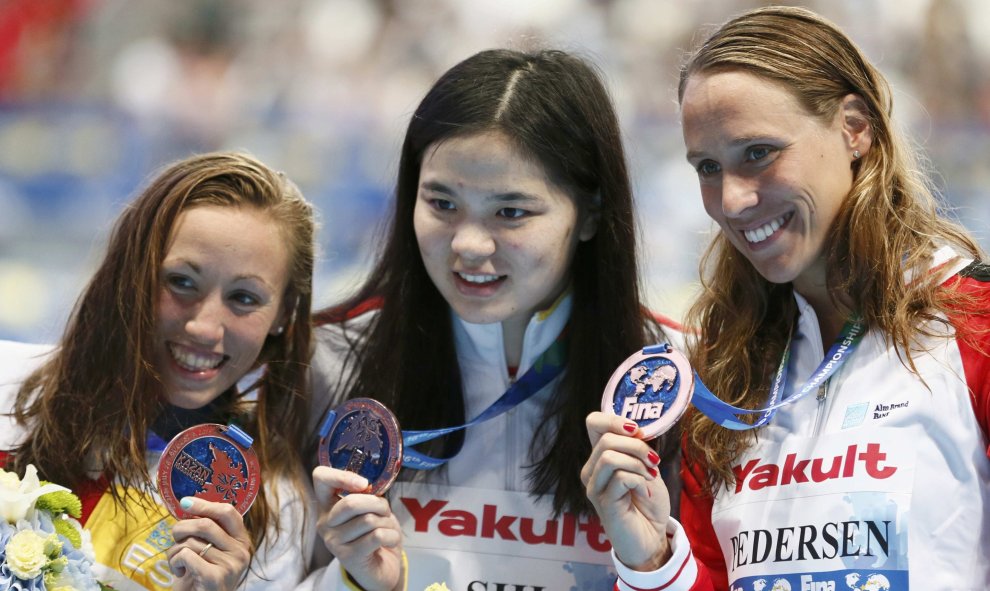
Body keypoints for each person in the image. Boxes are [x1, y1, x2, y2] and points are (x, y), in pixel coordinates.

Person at [582, 6, 990, 590]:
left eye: (758, 152)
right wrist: (651, 563)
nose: (733, 200)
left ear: (854, 128)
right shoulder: (723, 376)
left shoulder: (976, 321)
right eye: (707, 166)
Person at [301, 48, 682, 591]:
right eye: (442, 203)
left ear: (591, 213)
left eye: (511, 212)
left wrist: (651, 567)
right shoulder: (329, 363)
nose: (469, 244)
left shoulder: (669, 382)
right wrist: (355, 584)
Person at [0, 151, 318, 591]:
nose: (204, 328)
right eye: (181, 282)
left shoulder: (274, 507)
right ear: (131, 275)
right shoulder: (6, 388)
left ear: (284, 314)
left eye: (244, 298)